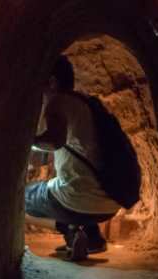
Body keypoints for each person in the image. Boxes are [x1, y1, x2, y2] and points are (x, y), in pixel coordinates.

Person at [24, 55, 121, 261]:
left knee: (22, 198)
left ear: (51, 81)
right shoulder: (87, 105)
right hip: (112, 203)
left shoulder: (56, 102)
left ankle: (70, 230)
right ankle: (92, 238)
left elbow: (54, 141)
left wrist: (25, 141)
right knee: (77, 189)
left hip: (77, 201)